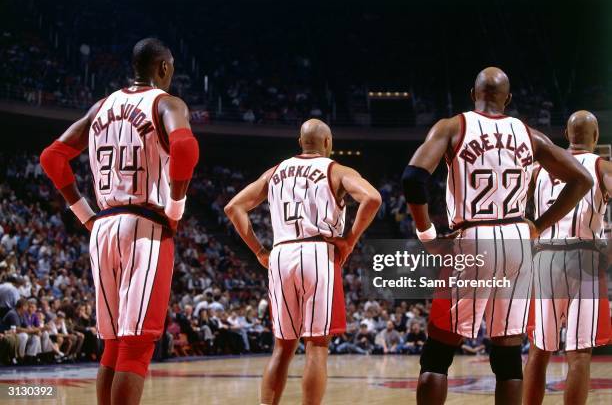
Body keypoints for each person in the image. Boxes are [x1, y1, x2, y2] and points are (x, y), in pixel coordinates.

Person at [403, 67, 593, 405]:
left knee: (438, 353)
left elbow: (413, 178)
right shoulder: (529, 134)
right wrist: (539, 224)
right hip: (519, 239)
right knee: (507, 358)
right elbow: (581, 180)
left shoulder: (452, 126)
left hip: (474, 237)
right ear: (508, 98)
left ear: (472, 93)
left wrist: (427, 234)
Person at [39, 37, 199, 405]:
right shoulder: (166, 103)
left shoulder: (100, 107)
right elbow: (186, 148)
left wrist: (84, 214)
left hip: (104, 226)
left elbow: (52, 157)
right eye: (171, 67)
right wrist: (175, 210)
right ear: (163, 67)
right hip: (144, 224)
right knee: (137, 346)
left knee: (113, 344)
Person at [224, 119, 381, 404]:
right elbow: (372, 198)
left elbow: (233, 207)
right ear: (328, 143)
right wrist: (349, 241)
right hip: (318, 252)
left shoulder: (275, 172)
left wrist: (260, 251)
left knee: (282, 347)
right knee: (317, 347)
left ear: (300, 142)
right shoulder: (336, 169)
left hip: (281, 253)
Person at [523, 110, 612, 405]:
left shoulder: (538, 169)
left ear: (566, 134)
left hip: (545, 258)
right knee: (579, 353)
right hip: (584, 258)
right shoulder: (601, 166)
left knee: (539, 349)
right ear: (596, 137)